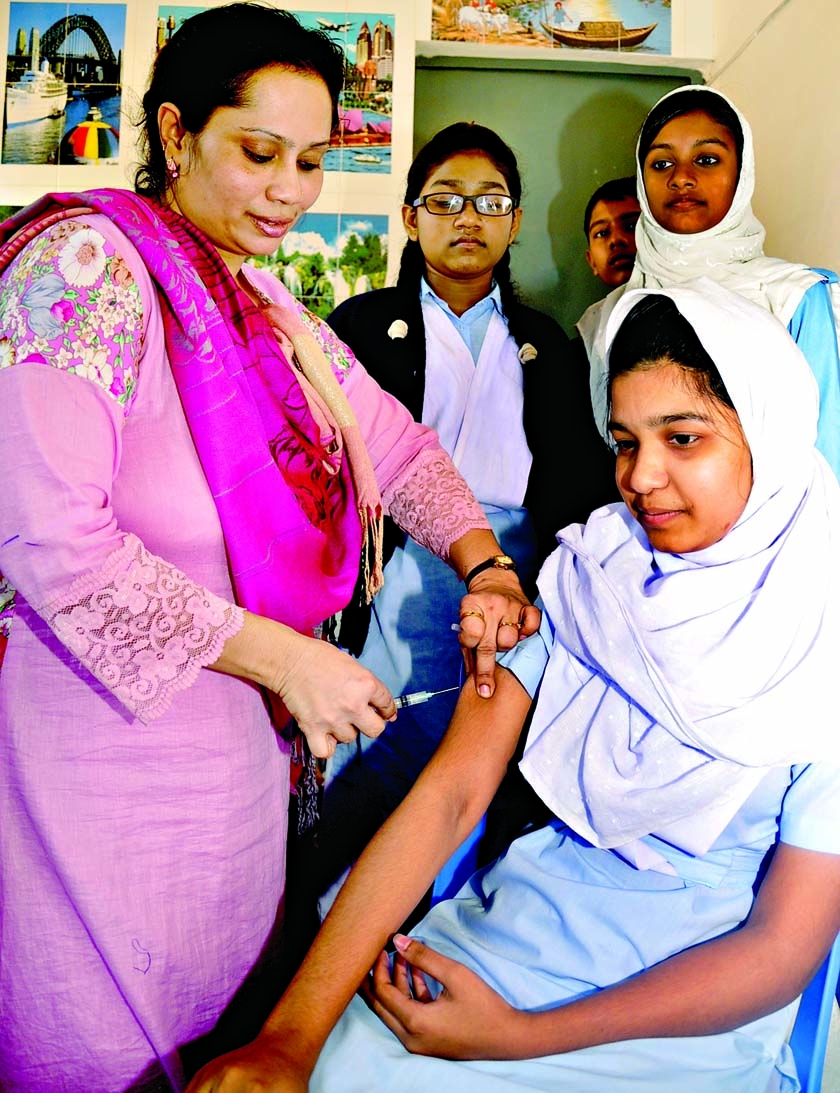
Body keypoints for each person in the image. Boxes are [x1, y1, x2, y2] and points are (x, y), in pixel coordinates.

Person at [0, 6, 540, 1090]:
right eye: (259, 154)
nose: (291, 191)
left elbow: (399, 446)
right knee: (97, 1044)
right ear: (175, 130)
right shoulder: (84, 270)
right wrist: (290, 660)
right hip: (96, 772)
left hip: (239, 777)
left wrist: (484, 561)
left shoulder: (263, 303)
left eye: (310, 160)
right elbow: (51, 543)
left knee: (233, 1044)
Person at [185, 280, 840, 1093]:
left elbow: (782, 948)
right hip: (512, 943)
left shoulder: (824, 647)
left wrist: (521, 1038)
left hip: (682, 1018)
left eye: (683, 437)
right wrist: (292, 1038)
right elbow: (451, 793)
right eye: (626, 441)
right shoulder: (590, 578)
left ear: (770, 437)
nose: (642, 477)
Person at [314, 122, 615, 915]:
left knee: (485, 777)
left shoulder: (546, 342)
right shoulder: (360, 324)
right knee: (373, 750)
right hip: (395, 571)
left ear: (515, 221)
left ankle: (444, 937)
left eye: (490, 201)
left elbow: (579, 486)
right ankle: (343, 931)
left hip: (513, 583)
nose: (468, 217)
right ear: (411, 217)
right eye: (445, 200)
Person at [578, 85, 840, 481]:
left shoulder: (793, 297)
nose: (682, 178)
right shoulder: (608, 317)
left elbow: (825, 463)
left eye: (706, 159)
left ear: (742, 173)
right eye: (662, 164)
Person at [582, 175, 640, 288]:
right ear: (591, 261)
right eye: (602, 233)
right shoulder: (600, 307)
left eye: (632, 226)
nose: (616, 239)